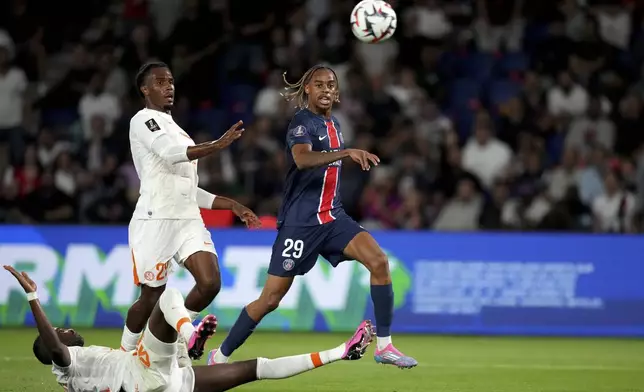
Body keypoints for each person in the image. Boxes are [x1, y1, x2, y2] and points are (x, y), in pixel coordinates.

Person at [209, 65, 417, 369]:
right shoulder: (301, 122)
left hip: (333, 219)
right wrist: (345, 154)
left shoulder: (335, 124)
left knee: (379, 262)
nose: (325, 89)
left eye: (330, 85)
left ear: (337, 91)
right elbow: (302, 159)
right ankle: (220, 355)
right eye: (318, 84)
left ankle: (384, 347)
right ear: (307, 89)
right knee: (270, 299)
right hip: (300, 224)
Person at [4, 265, 374, 392]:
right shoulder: (66, 365)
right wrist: (34, 296)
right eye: (61, 330)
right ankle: (188, 333)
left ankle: (342, 351)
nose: (65, 330)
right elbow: (54, 348)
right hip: (144, 375)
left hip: (170, 384)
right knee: (170, 298)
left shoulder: (84, 373)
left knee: (257, 368)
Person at [122, 61, 262, 365]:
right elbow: (170, 156)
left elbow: (186, 188)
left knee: (210, 282)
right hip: (155, 218)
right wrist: (217, 144)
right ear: (144, 90)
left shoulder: (179, 130)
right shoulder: (143, 120)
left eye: (170, 81)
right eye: (159, 82)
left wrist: (232, 205)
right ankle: (126, 354)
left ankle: (177, 340)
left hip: (187, 219)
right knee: (150, 298)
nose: (168, 87)